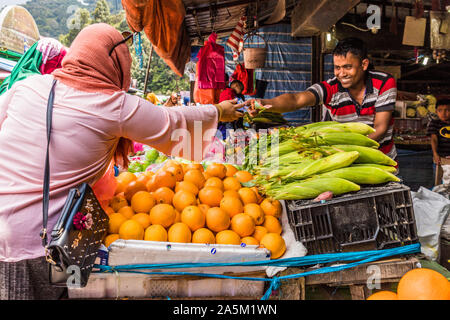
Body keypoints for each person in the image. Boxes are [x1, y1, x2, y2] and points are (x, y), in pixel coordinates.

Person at [0, 23, 243, 300]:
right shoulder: (113, 105)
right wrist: (218, 111)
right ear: (117, 64)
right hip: (45, 243)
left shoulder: (28, 86)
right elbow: (172, 123)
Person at [248, 37, 398, 161]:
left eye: (347, 67)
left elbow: (380, 128)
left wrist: (347, 152)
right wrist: (266, 103)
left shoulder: (384, 83)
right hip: (344, 161)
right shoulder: (331, 88)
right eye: (337, 67)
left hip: (381, 160)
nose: (341, 73)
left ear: (364, 64)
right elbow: (296, 99)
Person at [427, 99, 450, 185]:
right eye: (440, 110)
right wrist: (435, 154)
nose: (443, 113)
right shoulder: (435, 123)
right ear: (436, 111)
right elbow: (434, 139)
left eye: (447, 110)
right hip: (440, 159)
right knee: (439, 183)